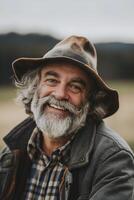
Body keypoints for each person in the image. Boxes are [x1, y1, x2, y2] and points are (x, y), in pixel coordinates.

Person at [0, 35, 134, 200]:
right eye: (51, 80)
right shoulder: (12, 152)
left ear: (90, 101)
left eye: (75, 86)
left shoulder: (112, 159)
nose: (61, 94)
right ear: (35, 88)